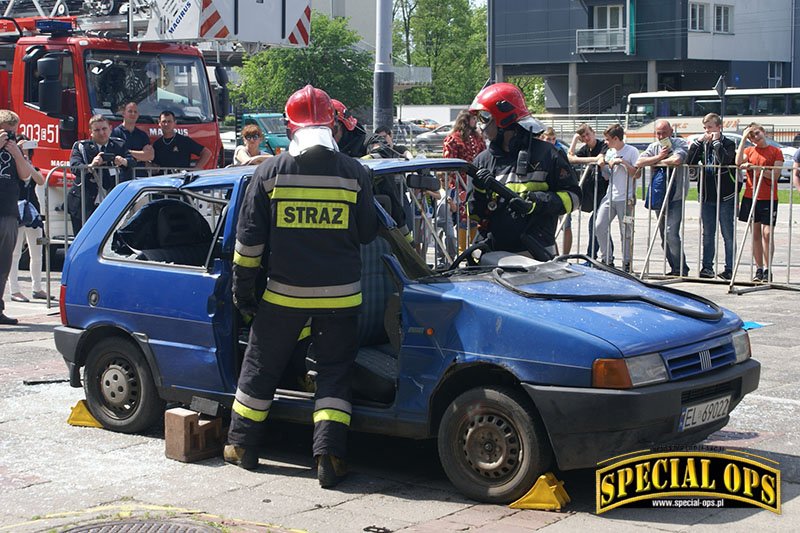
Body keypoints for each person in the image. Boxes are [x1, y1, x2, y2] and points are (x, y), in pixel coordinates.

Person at [224, 85, 378, 489]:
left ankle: (242, 447)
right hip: (342, 295)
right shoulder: (354, 172)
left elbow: (248, 244)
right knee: (334, 374)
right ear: (332, 125)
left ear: (290, 126)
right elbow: (366, 234)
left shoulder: (269, 172)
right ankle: (329, 456)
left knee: (261, 367)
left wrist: (243, 293)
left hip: (283, 296)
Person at [468, 82, 580, 258]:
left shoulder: (548, 154)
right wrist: (480, 190)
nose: (480, 125)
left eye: (484, 117)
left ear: (503, 119)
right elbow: (474, 215)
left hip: (536, 254)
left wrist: (537, 203)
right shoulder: (482, 161)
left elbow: (574, 198)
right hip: (493, 255)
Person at [635, 120, 690, 276]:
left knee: (671, 233)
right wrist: (658, 157)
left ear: (671, 131)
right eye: (658, 133)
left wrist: (657, 162)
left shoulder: (679, 143)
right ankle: (674, 268)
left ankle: (681, 268)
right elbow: (639, 161)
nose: (660, 136)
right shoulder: (654, 147)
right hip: (660, 195)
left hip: (676, 197)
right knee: (663, 236)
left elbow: (677, 160)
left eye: (664, 133)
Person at [686, 113, 738, 280]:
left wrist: (716, 142)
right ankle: (707, 267)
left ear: (718, 127)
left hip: (724, 195)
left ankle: (730, 268)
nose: (707, 131)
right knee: (708, 233)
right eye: (705, 128)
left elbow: (724, 160)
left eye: (710, 127)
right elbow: (690, 161)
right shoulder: (703, 144)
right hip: (707, 194)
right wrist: (698, 143)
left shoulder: (728, 143)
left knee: (727, 233)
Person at [0, 110, 38, 325]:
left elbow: (25, 175)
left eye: (13, 132)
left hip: (8, 210)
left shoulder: (15, 149)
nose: (10, 136)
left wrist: (16, 153)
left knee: (3, 264)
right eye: (6, 132)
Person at [67, 115, 135, 234]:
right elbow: (74, 166)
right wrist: (91, 166)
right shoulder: (82, 146)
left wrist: (123, 161)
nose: (101, 133)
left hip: (110, 200)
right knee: (84, 238)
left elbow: (132, 162)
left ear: (110, 128)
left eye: (104, 129)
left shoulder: (119, 145)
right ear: (91, 132)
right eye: (97, 130)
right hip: (84, 201)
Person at [736, 123, 784, 282]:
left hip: (768, 197)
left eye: (757, 133)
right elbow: (737, 162)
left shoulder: (776, 151)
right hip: (751, 196)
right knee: (755, 233)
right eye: (752, 136)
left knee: (767, 233)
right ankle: (759, 268)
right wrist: (743, 139)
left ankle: (768, 268)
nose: (755, 137)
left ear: (763, 132)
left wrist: (756, 168)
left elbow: (775, 175)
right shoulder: (749, 150)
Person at [594, 124, 639, 271]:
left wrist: (623, 162)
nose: (605, 142)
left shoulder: (632, 151)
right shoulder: (610, 152)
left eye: (607, 139)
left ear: (615, 138)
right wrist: (603, 166)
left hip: (626, 198)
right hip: (610, 196)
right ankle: (607, 259)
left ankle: (627, 262)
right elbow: (607, 176)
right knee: (599, 225)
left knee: (625, 231)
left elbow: (637, 173)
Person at [8, 135, 46, 303]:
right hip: (17, 210)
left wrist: (27, 163)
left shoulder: (31, 166)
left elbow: (40, 180)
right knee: (15, 252)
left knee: (37, 253)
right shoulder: (11, 167)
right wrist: (18, 156)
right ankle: (14, 290)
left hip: (33, 212)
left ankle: (37, 287)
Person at [442, 110, 485, 252]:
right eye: (473, 118)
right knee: (462, 218)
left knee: (475, 215)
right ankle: (462, 250)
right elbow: (449, 165)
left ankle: (474, 250)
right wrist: (455, 187)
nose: (475, 121)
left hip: (476, 182)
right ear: (465, 120)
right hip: (460, 184)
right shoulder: (453, 139)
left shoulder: (478, 137)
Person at [568, 123, 608, 259]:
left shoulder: (603, 145)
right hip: (591, 193)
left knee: (595, 225)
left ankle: (592, 256)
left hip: (604, 193)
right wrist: (574, 139)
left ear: (593, 132)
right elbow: (570, 158)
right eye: (583, 136)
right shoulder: (585, 149)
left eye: (588, 134)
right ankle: (607, 256)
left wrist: (593, 160)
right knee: (600, 228)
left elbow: (602, 158)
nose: (586, 138)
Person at [540, 127, 572, 254]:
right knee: (549, 229)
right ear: (543, 138)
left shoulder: (560, 151)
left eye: (553, 139)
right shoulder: (540, 152)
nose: (551, 142)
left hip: (562, 193)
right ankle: (555, 256)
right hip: (548, 194)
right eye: (548, 139)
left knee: (566, 225)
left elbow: (569, 162)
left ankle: (566, 256)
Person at [111, 102, 154, 176]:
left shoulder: (142, 135)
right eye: (130, 111)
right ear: (123, 113)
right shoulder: (115, 133)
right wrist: (140, 156)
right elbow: (115, 155)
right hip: (122, 177)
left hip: (140, 177)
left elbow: (149, 156)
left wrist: (127, 153)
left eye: (135, 112)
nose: (133, 114)